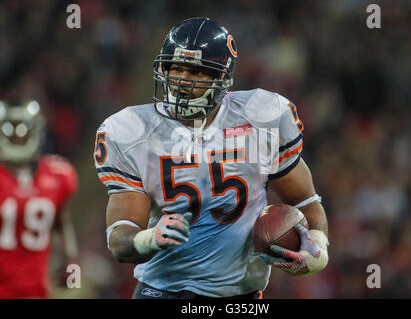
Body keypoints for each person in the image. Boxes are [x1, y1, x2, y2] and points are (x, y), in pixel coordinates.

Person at [95, 17, 329, 299]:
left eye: (196, 72)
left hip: (239, 295)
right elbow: (121, 238)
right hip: (162, 291)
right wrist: (149, 239)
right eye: (175, 68)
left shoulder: (261, 117)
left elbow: (306, 202)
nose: (182, 80)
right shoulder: (132, 131)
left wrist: (317, 251)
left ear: (221, 77)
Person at [0, 99, 78, 298]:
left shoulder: (56, 174)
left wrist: (73, 275)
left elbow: (62, 227)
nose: (18, 139)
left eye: (23, 132)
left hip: (37, 291)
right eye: (12, 133)